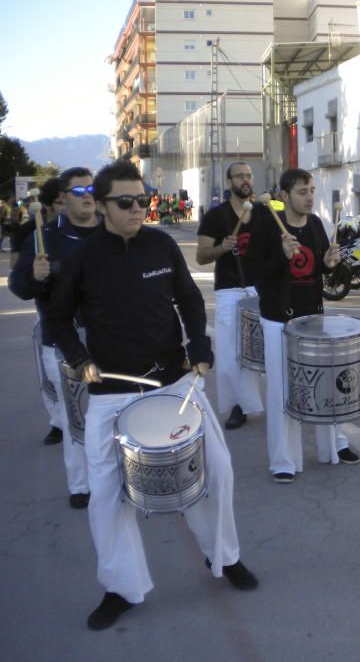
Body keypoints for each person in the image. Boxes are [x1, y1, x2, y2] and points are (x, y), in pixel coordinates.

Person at [45, 161, 258, 630]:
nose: (139, 208)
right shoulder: (84, 259)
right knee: (107, 498)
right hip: (112, 395)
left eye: (144, 200)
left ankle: (224, 557)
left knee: (217, 472)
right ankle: (122, 586)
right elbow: (58, 319)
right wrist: (80, 360)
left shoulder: (161, 243)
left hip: (174, 384)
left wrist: (198, 347)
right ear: (101, 207)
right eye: (127, 202)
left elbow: (187, 297)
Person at [245, 168, 360, 483]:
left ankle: (335, 446)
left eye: (311, 190)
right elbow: (251, 272)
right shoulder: (268, 227)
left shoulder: (316, 225)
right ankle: (283, 459)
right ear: (283, 196)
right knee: (282, 389)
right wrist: (282, 257)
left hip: (313, 319)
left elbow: (321, 271)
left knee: (326, 385)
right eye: (301, 191)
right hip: (279, 320)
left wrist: (330, 263)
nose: (309, 196)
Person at [9, 172, 92, 468]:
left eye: (92, 188)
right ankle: (81, 485)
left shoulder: (108, 234)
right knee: (75, 418)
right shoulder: (42, 237)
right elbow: (18, 285)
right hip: (61, 342)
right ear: (63, 197)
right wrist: (35, 277)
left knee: (108, 415)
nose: (87, 194)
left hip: (108, 340)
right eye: (79, 189)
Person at [196, 162, 265, 430]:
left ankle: (278, 400)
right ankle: (239, 406)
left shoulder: (262, 213)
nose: (246, 180)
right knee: (230, 352)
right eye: (240, 176)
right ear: (229, 182)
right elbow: (202, 256)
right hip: (229, 290)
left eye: (249, 175)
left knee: (269, 349)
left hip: (261, 288)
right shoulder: (216, 217)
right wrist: (221, 248)